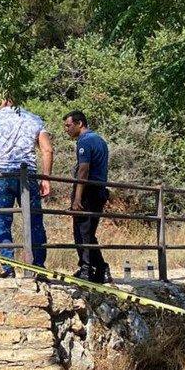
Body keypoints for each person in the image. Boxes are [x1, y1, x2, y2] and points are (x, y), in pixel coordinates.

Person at [0, 95, 53, 278]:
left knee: (3, 222)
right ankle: (39, 267)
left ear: (2, 99)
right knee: (34, 223)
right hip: (29, 177)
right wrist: (46, 179)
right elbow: (47, 149)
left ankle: (8, 268)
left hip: (2, 176)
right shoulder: (34, 118)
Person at [62, 110, 111, 283]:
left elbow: (83, 170)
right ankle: (99, 268)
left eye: (68, 125)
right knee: (89, 232)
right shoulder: (100, 140)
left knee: (82, 231)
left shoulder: (85, 141)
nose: (66, 129)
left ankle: (87, 268)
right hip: (99, 190)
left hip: (88, 191)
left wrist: (77, 197)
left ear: (79, 124)